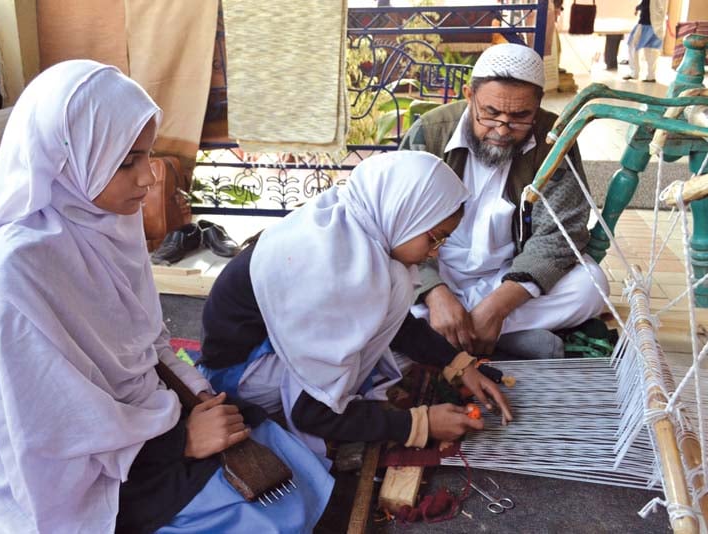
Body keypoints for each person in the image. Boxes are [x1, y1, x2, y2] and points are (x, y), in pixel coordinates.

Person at [0, 60, 333, 534]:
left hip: (143, 419)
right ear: (69, 157)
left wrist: (197, 398)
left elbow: (146, 344)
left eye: (147, 155)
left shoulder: (108, 221)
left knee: (273, 449)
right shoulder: (12, 271)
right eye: (126, 161)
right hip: (90, 463)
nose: (150, 179)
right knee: (263, 517)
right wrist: (179, 444)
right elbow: (49, 427)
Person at [198, 151, 513, 457]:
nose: (435, 253)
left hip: (270, 345)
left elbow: (396, 321)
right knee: (377, 357)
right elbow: (311, 413)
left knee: (393, 339)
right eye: (434, 238)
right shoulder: (332, 269)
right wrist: (417, 424)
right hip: (240, 377)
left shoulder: (353, 228)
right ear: (402, 212)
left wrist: (458, 364)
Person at [399, 43, 609, 359]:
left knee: (591, 284)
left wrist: (497, 307)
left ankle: (456, 334)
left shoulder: (554, 138)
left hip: (510, 273)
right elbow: (396, 222)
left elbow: (561, 233)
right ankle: (502, 338)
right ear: (470, 96)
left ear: (538, 105)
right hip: (432, 267)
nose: (502, 129)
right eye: (491, 113)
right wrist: (433, 292)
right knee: (380, 286)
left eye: (520, 116)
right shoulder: (428, 134)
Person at [623, 0, 666, 82]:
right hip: (654, 24)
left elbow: (646, 5)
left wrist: (638, 7)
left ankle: (636, 73)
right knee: (651, 51)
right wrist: (638, 7)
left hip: (648, 24)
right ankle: (649, 75)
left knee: (635, 46)